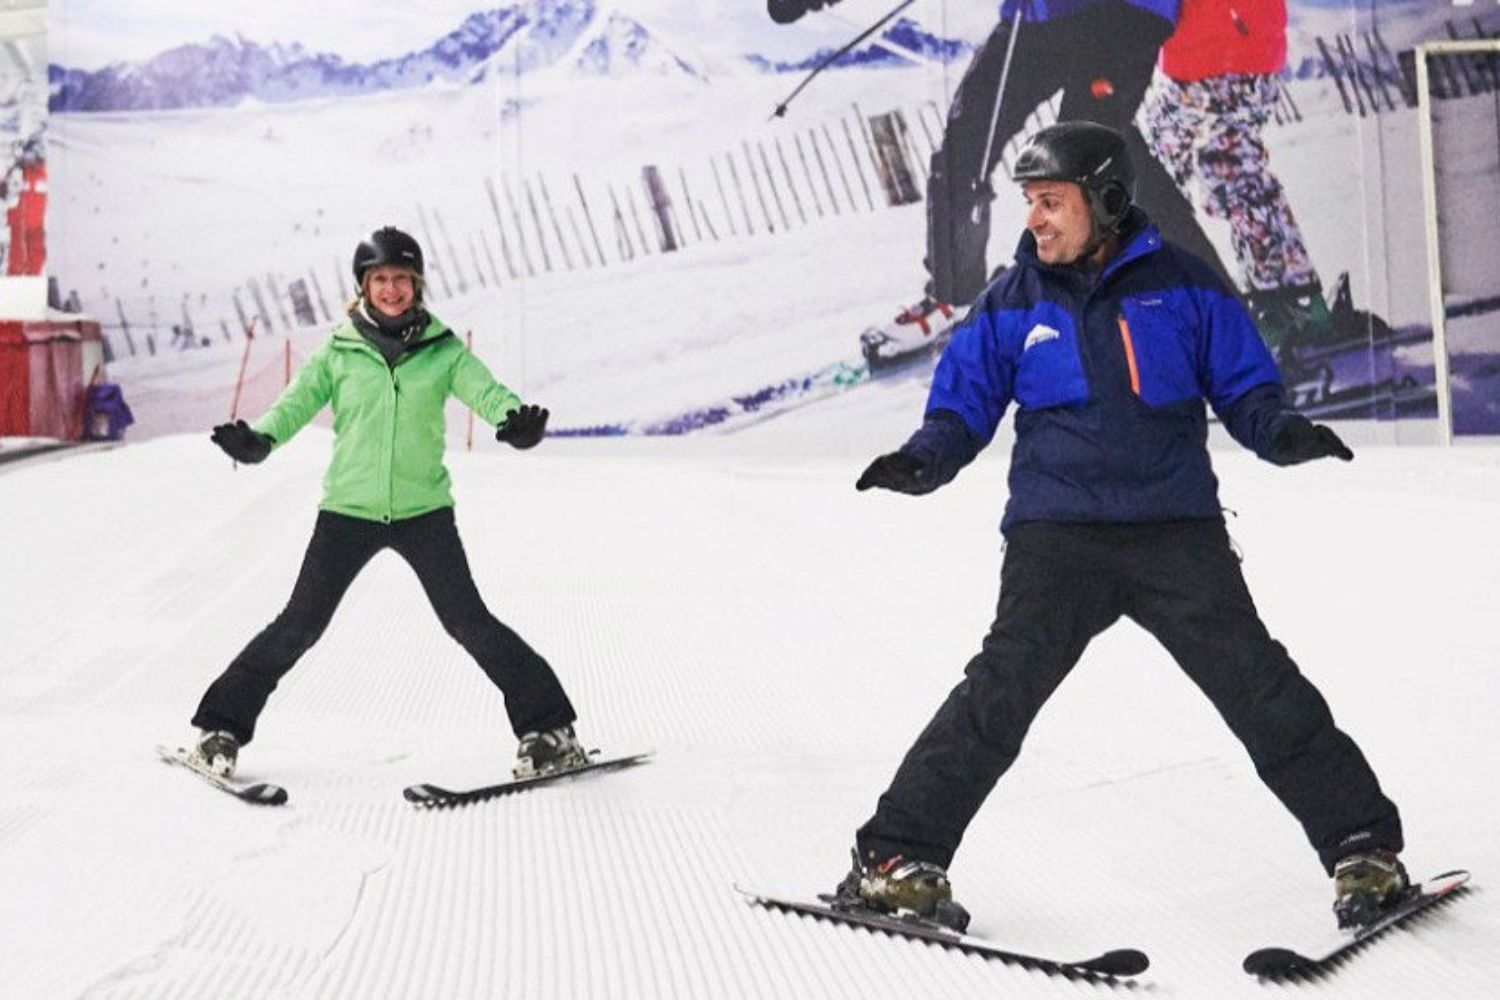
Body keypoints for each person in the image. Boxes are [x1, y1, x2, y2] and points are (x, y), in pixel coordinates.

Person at [838, 121, 1407, 932]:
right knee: (996, 696)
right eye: (1030, 203)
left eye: (1051, 202)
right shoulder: (1012, 301)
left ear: (1105, 199)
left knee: (1258, 685)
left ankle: (1365, 848)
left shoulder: (1185, 286)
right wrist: (924, 459)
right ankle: (896, 858)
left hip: (1173, 529)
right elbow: (964, 404)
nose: (1035, 220)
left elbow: (1248, 390)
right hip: (1056, 534)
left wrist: (1281, 433)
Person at [189, 226, 585, 782]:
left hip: (423, 511)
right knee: (299, 624)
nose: (392, 289)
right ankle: (219, 729)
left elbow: (486, 390)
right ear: (364, 287)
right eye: (380, 280)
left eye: (402, 278)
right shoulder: (339, 350)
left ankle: (550, 730)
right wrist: (261, 441)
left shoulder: (442, 351)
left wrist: (513, 420)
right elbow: (296, 402)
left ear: (417, 285)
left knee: (468, 622)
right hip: (348, 510)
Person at [769, 0, 1235, 363]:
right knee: (962, 147)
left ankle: (1215, 315)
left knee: (1092, 151)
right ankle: (954, 293)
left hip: (1119, 15)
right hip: (1037, 17)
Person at [1141, 0, 1380, 358]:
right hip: (1193, 58)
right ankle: (1276, 299)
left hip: (1229, 52)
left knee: (1229, 172)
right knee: (1152, 158)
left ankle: (1288, 304)